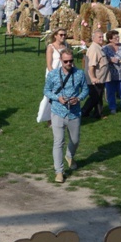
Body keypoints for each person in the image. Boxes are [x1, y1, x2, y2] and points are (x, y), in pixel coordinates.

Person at [44, 49, 89, 183]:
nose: (69, 63)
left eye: (71, 61)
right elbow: (46, 90)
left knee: (75, 140)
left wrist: (79, 98)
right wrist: (58, 98)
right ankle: (59, 171)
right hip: (58, 111)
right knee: (59, 142)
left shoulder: (80, 74)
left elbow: (86, 89)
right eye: (66, 61)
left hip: (74, 112)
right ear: (61, 61)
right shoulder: (53, 75)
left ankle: (70, 156)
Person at [37, 28, 69, 122]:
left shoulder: (66, 46)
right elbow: (49, 65)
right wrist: (55, 77)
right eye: (61, 35)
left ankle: (61, 116)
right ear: (55, 36)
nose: (63, 36)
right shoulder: (51, 47)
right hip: (53, 75)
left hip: (65, 74)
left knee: (64, 96)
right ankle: (47, 118)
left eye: (64, 35)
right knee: (50, 97)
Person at [81, 30, 111, 119]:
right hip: (95, 78)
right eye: (99, 37)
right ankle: (85, 112)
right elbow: (91, 65)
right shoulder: (94, 49)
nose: (101, 38)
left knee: (97, 96)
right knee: (95, 97)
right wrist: (93, 77)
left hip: (100, 78)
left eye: (102, 36)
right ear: (93, 38)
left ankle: (95, 113)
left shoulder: (98, 47)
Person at [103, 30, 121, 116]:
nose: (118, 38)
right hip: (111, 73)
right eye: (115, 37)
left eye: (118, 37)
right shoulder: (105, 48)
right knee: (110, 91)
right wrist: (109, 60)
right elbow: (102, 59)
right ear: (110, 39)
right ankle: (112, 108)